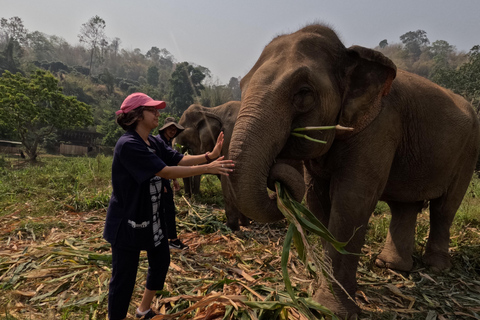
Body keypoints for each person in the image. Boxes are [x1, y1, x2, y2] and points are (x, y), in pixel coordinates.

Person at [103, 92, 234, 320]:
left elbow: (177, 159)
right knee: (124, 277)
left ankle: (143, 310)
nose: (157, 113)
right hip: (128, 222)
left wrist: (208, 156)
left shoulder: (153, 141)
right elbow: (165, 171)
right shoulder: (128, 145)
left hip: (152, 218)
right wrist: (207, 168)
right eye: (152, 109)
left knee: (161, 262)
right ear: (136, 115)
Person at [156, 117, 188, 250]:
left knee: (163, 210)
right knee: (167, 210)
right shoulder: (158, 142)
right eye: (170, 128)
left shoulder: (167, 142)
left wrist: (174, 180)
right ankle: (173, 240)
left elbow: (170, 163)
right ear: (164, 129)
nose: (173, 131)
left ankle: (162, 238)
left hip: (165, 180)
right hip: (159, 181)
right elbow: (157, 166)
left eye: (175, 129)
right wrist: (163, 184)